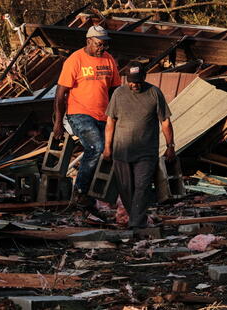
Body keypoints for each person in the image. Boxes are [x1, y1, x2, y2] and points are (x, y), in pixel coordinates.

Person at [54, 25, 121, 206]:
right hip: (79, 113)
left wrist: (117, 116)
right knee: (96, 147)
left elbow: (115, 90)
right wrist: (58, 122)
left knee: (112, 150)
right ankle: (80, 192)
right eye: (99, 44)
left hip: (104, 115)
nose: (102, 48)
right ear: (89, 41)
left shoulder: (109, 60)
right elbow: (60, 94)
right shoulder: (75, 60)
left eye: (105, 45)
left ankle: (101, 195)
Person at [103, 61, 175, 229]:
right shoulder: (118, 94)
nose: (134, 84)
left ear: (144, 77)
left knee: (142, 186)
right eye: (131, 81)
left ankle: (137, 224)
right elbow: (110, 122)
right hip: (121, 151)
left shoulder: (154, 93)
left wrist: (170, 146)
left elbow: (165, 121)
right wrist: (107, 147)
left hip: (146, 152)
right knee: (126, 189)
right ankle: (137, 219)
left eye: (138, 80)